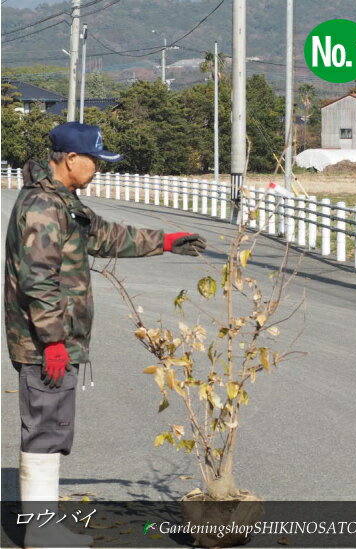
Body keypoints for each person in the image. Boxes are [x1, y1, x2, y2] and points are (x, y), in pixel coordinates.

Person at [4, 122, 207, 548]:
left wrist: (166, 241)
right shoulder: (43, 206)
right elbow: (38, 280)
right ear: (71, 159)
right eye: (94, 161)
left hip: (55, 341)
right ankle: (40, 535)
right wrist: (54, 341)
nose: (97, 168)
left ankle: (44, 529)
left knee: (52, 427)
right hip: (46, 345)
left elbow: (107, 235)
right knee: (45, 428)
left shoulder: (64, 201)